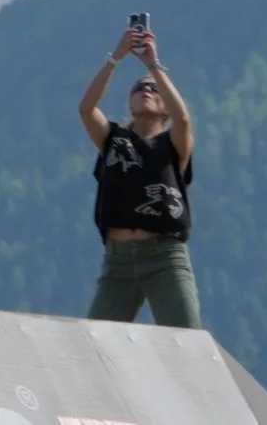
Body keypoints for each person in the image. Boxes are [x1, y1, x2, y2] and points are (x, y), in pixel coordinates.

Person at [77, 18, 200, 328]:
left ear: (166, 108)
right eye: (139, 88)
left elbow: (183, 118)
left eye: (153, 89)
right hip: (117, 261)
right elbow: (86, 108)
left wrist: (154, 64)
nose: (146, 90)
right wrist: (115, 58)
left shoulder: (173, 142)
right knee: (97, 345)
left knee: (186, 343)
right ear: (129, 102)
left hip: (165, 258)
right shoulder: (113, 139)